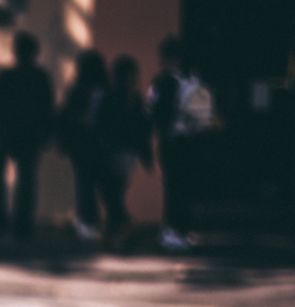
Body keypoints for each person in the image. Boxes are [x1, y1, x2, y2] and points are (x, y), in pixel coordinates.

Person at [0, 31, 53, 240]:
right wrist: (46, 134)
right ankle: (22, 224)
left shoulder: (4, 75)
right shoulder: (40, 77)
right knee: (26, 179)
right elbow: (47, 109)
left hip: (4, 133)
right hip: (30, 134)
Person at [148, 35, 209, 251]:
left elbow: (152, 111)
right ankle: (180, 230)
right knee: (184, 186)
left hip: (168, 140)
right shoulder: (191, 81)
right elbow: (203, 115)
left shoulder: (161, 82)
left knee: (172, 186)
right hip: (188, 141)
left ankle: (171, 230)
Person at [96, 54, 152, 244]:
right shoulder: (136, 99)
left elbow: (100, 126)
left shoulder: (110, 97)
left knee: (110, 195)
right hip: (129, 155)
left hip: (111, 152)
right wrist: (146, 157)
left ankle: (125, 224)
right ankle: (111, 234)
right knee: (115, 193)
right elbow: (143, 130)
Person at [59, 50, 109, 241]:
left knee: (84, 184)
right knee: (103, 186)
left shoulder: (77, 90)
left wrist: (64, 142)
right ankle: (102, 222)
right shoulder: (106, 90)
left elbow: (65, 117)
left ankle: (87, 222)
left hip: (80, 145)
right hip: (102, 145)